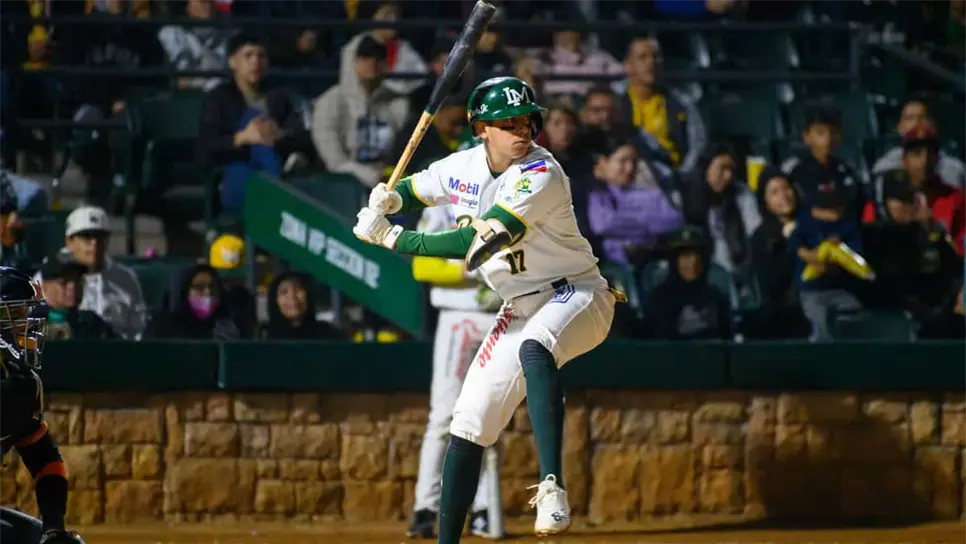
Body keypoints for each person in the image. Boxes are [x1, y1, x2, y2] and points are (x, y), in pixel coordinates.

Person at [352, 76, 624, 542]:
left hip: (578, 294)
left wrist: (393, 236)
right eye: (507, 123)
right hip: (518, 304)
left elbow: (473, 239)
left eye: (526, 122)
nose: (521, 132)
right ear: (482, 128)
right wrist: (389, 196)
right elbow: (418, 188)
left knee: (536, 348)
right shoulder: (461, 165)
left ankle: (553, 485)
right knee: (468, 422)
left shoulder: (542, 173)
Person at [405, 204, 503, 539]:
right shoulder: (441, 208)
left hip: (498, 318)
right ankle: (425, 508)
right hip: (457, 315)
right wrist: (471, 270)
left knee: (486, 419)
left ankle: (484, 509)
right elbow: (421, 266)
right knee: (444, 417)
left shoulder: (509, 204)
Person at [0, 267, 87, 544]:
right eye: (14, 315)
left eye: (25, 314)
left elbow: (45, 460)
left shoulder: (19, 385)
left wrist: (53, 527)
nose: (25, 324)